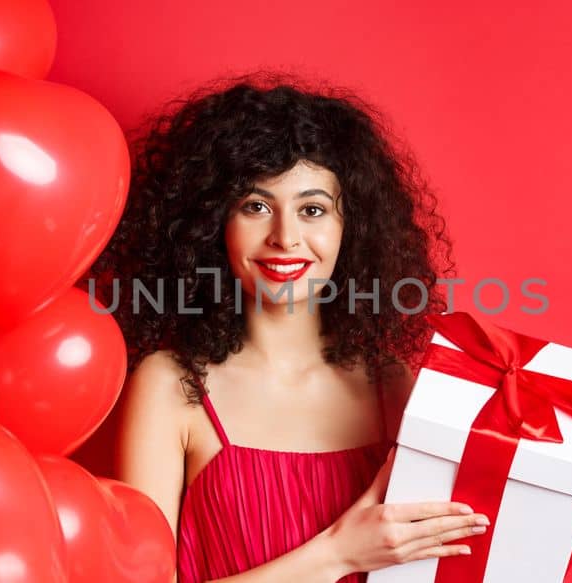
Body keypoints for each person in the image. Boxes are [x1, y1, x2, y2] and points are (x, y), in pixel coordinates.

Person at [89, 71, 481, 583]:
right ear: (212, 225)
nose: (285, 237)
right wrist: (338, 555)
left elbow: (458, 545)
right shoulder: (171, 385)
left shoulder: (390, 383)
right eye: (256, 206)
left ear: (351, 229)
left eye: (313, 209)